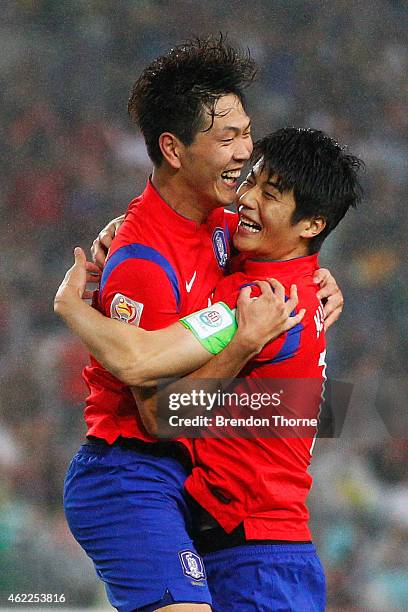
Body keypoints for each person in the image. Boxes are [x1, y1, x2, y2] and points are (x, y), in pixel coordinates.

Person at [55, 127, 361, 611]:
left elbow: (161, 403)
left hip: (256, 555)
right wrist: (124, 227)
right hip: (260, 546)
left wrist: (75, 310)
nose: (249, 198)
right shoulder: (287, 282)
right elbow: (193, 225)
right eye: (253, 180)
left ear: (311, 225)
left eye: (271, 194)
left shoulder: (257, 303)